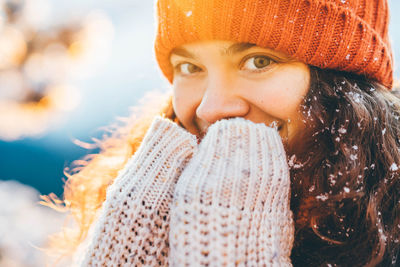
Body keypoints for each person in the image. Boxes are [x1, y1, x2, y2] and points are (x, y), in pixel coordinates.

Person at [46, 0, 400, 266]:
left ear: (345, 83)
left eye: (259, 61)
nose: (210, 109)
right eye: (190, 67)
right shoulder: (148, 197)